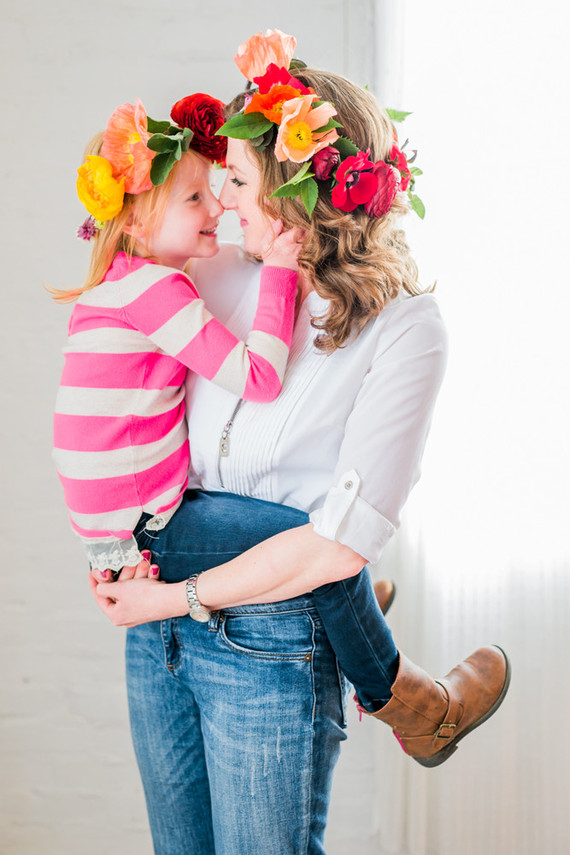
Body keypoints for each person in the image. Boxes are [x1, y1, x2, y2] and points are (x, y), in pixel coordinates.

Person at [86, 30, 510, 855]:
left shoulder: (405, 330)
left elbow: (336, 544)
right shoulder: (212, 273)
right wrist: (106, 537)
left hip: (265, 633)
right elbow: (114, 390)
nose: (223, 204)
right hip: (156, 624)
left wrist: (176, 594)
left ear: (293, 192)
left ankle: (407, 694)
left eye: (238, 183)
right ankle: (400, 683)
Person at [53, 93, 301, 575]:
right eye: (194, 198)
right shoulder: (155, 290)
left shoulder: (111, 287)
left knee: (315, 558)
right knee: (315, 539)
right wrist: (279, 268)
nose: (218, 206)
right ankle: (362, 625)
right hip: (149, 527)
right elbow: (261, 379)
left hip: (107, 535)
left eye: (214, 188)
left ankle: (345, 607)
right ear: (135, 224)